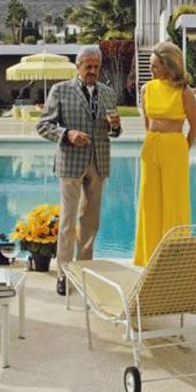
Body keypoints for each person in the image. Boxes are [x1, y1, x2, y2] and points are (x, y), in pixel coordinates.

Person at [36, 45, 122, 289]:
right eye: (88, 67)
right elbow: (43, 125)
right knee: (67, 221)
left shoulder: (107, 92)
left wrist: (115, 126)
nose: (92, 71)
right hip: (71, 163)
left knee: (91, 222)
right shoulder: (60, 90)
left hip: (99, 162)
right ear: (78, 67)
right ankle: (64, 274)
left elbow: (112, 130)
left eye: (96, 66)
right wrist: (67, 134)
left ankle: (84, 272)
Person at [133, 41, 196, 266]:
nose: (151, 70)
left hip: (175, 148)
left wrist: (181, 150)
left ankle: (175, 260)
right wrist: (154, 143)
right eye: (151, 66)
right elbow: (146, 122)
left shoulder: (184, 92)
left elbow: (195, 127)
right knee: (148, 202)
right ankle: (148, 258)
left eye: (155, 66)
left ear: (169, 66)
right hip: (150, 145)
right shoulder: (147, 89)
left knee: (175, 204)